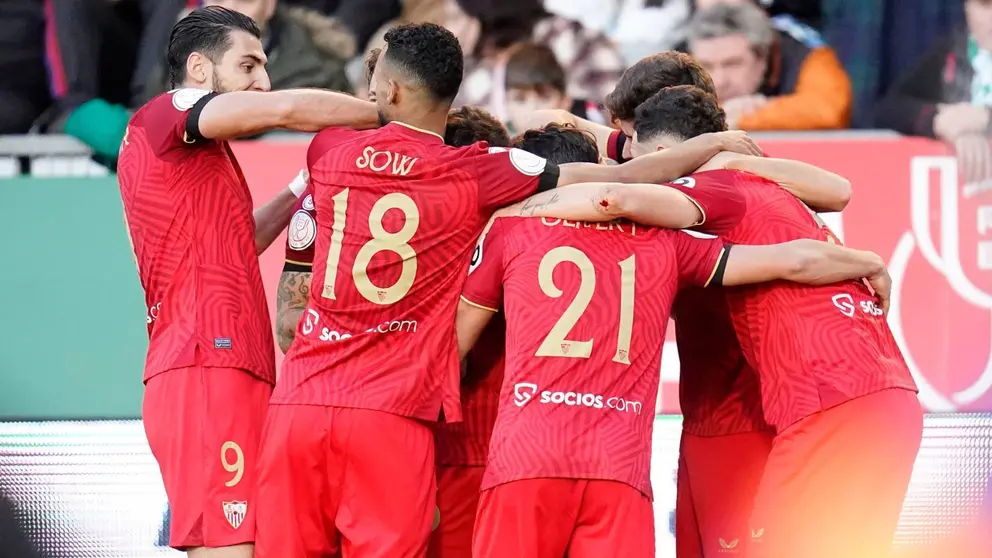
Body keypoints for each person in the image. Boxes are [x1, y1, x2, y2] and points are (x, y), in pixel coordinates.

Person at [253, 21, 762, 558]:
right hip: (393, 412)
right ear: (449, 95)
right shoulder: (478, 171)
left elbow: (295, 110)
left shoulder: (329, 151)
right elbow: (621, 180)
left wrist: (383, 105)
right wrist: (712, 143)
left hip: (300, 403)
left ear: (389, 89)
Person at [453, 179, 890, 558]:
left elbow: (455, 347)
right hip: (618, 469)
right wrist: (868, 261)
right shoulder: (669, 243)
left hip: (524, 461)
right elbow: (796, 261)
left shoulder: (510, 230)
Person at [116, 6, 378, 557]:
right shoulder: (169, 110)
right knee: (231, 547)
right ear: (199, 68)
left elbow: (241, 240)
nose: (263, 79)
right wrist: (385, 115)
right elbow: (285, 108)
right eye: (248, 64)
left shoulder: (199, 157)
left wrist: (304, 184)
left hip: (230, 367)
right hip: (206, 366)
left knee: (255, 544)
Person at [632, 85, 922, 558]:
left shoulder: (717, 187)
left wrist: (543, 197)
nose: (634, 166)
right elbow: (839, 193)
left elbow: (618, 197)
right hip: (887, 395)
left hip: (829, 402)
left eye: (639, 157)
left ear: (665, 155)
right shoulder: (776, 188)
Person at [876, 0, 992, 186]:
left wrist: (985, 118)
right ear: (966, 7)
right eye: (984, 5)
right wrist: (938, 120)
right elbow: (888, 110)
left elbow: (979, 119)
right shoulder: (950, 54)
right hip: (954, 193)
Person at [686, 2, 851, 130]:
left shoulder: (808, 55)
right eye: (707, 66)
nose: (720, 80)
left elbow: (828, 111)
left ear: (762, 57)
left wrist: (752, 114)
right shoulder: (680, 59)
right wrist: (722, 114)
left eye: (732, 64)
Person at [502, 43, 608, 135]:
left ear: (565, 101)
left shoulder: (592, 137)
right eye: (520, 99)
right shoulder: (497, 142)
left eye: (544, 98)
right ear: (505, 102)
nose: (532, 110)